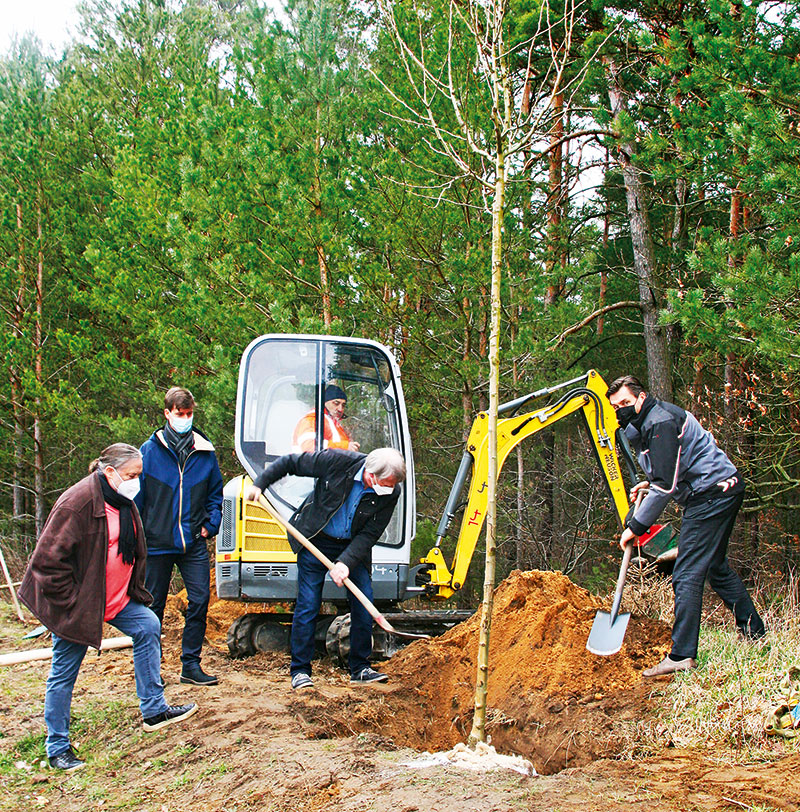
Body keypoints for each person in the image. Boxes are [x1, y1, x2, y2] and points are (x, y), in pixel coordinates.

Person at [18, 444, 198, 772]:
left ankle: (154, 710)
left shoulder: (122, 499)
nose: (137, 482)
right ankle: (57, 747)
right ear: (110, 472)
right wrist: (73, 605)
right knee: (64, 672)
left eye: (139, 475)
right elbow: (46, 563)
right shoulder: (78, 503)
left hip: (114, 598)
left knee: (146, 624)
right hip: (79, 603)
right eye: (132, 475)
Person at [606, 375, 765, 677]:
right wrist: (648, 483)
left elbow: (665, 486)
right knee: (715, 566)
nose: (621, 410)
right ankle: (754, 630)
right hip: (720, 489)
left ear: (641, 398)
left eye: (625, 403)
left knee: (686, 572)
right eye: (616, 406)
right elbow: (671, 467)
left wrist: (636, 527)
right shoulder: (650, 420)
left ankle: (681, 655)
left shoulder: (660, 422)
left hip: (712, 495)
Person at [245, 447, 406, 690]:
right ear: (371, 475)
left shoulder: (391, 492)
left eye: (392, 485)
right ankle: (300, 671)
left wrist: (345, 562)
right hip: (315, 539)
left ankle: (360, 668)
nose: (388, 489)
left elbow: (371, 532)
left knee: (364, 602)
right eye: (385, 483)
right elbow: (291, 462)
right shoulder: (337, 462)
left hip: (353, 548)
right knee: (308, 603)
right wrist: (260, 484)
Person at [136, 387, 224, 687]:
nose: (185, 419)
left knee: (199, 601)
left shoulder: (205, 452)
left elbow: (216, 494)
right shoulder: (148, 452)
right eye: (179, 414)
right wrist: (138, 536)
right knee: (153, 609)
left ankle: (191, 665)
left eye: (189, 414)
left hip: (193, 542)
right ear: (167, 414)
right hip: (156, 543)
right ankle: (151, 671)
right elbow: (136, 498)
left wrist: (211, 524)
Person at [293, 384, 360, 453]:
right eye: (336, 403)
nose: (340, 409)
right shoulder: (312, 419)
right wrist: (345, 447)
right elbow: (309, 446)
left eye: (343, 405)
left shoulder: (335, 425)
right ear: (324, 403)